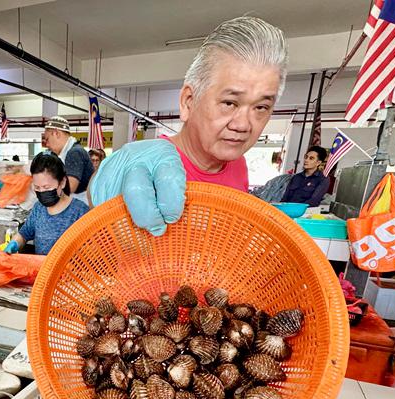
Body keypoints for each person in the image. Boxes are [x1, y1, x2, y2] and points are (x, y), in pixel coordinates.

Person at [89, 16, 288, 235]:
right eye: (229, 103)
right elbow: (100, 191)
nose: (242, 125)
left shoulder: (238, 164)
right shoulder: (152, 167)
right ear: (188, 102)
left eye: (261, 107)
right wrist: (100, 180)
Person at [5, 153, 88, 255]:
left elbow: (91, 250)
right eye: (37, 187)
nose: (42, 192)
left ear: (62, 182)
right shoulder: (38, 208)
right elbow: (24, 234)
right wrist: (15, 243)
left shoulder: (80, 212)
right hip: (41, 269)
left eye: (47, 187)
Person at [43, 116, 94, 204]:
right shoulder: (68, 153)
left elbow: (70, 186)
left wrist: (45, 187)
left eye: (47, 139)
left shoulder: (74, 153)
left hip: (82, 205)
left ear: (56, 133)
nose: (46, 144)